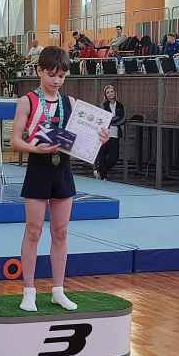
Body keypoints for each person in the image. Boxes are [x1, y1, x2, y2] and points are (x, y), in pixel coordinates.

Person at [10, 47, 108, 313]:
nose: (56, 80)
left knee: (61, 232)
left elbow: (84, 138)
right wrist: (35, 149)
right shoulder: (27, 101)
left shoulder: (71, 103)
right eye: (51, 75)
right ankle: (29, 291)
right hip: (38, 168)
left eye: (61, 76)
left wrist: (100, 138)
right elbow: (15, 140)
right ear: (39, 71)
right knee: (33, 231)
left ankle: (58, 290)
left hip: (62, 170)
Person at [94, 85, 125, 180]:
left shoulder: (120, 105)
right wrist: (113, 119)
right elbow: (103, 119)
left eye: (112, 91)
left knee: (114, 158)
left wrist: (110, 120)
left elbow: (122, 119)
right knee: (102, 156)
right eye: (108, 92)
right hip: (104, 134)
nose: (110, 94)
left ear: (115, 93)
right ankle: (103, 176)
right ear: (105, 95)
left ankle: (100, 171)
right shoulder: (103, 105)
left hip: (115, 134)